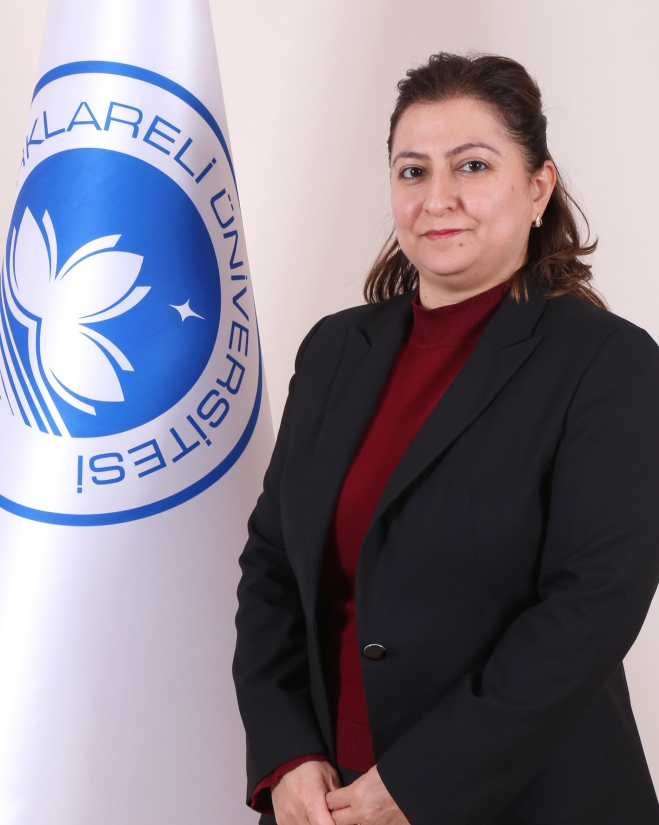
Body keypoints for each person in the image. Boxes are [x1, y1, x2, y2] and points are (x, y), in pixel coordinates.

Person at [232, 52, 659, 825]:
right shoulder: (334, 349)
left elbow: (590, 607)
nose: (437, 199)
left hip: (521, 800)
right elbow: (271, 565)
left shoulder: (609, 364)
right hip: (326, 800)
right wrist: (285, 752)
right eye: (412, 171)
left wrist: (419, 781)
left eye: (472, 165)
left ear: (538, 187)